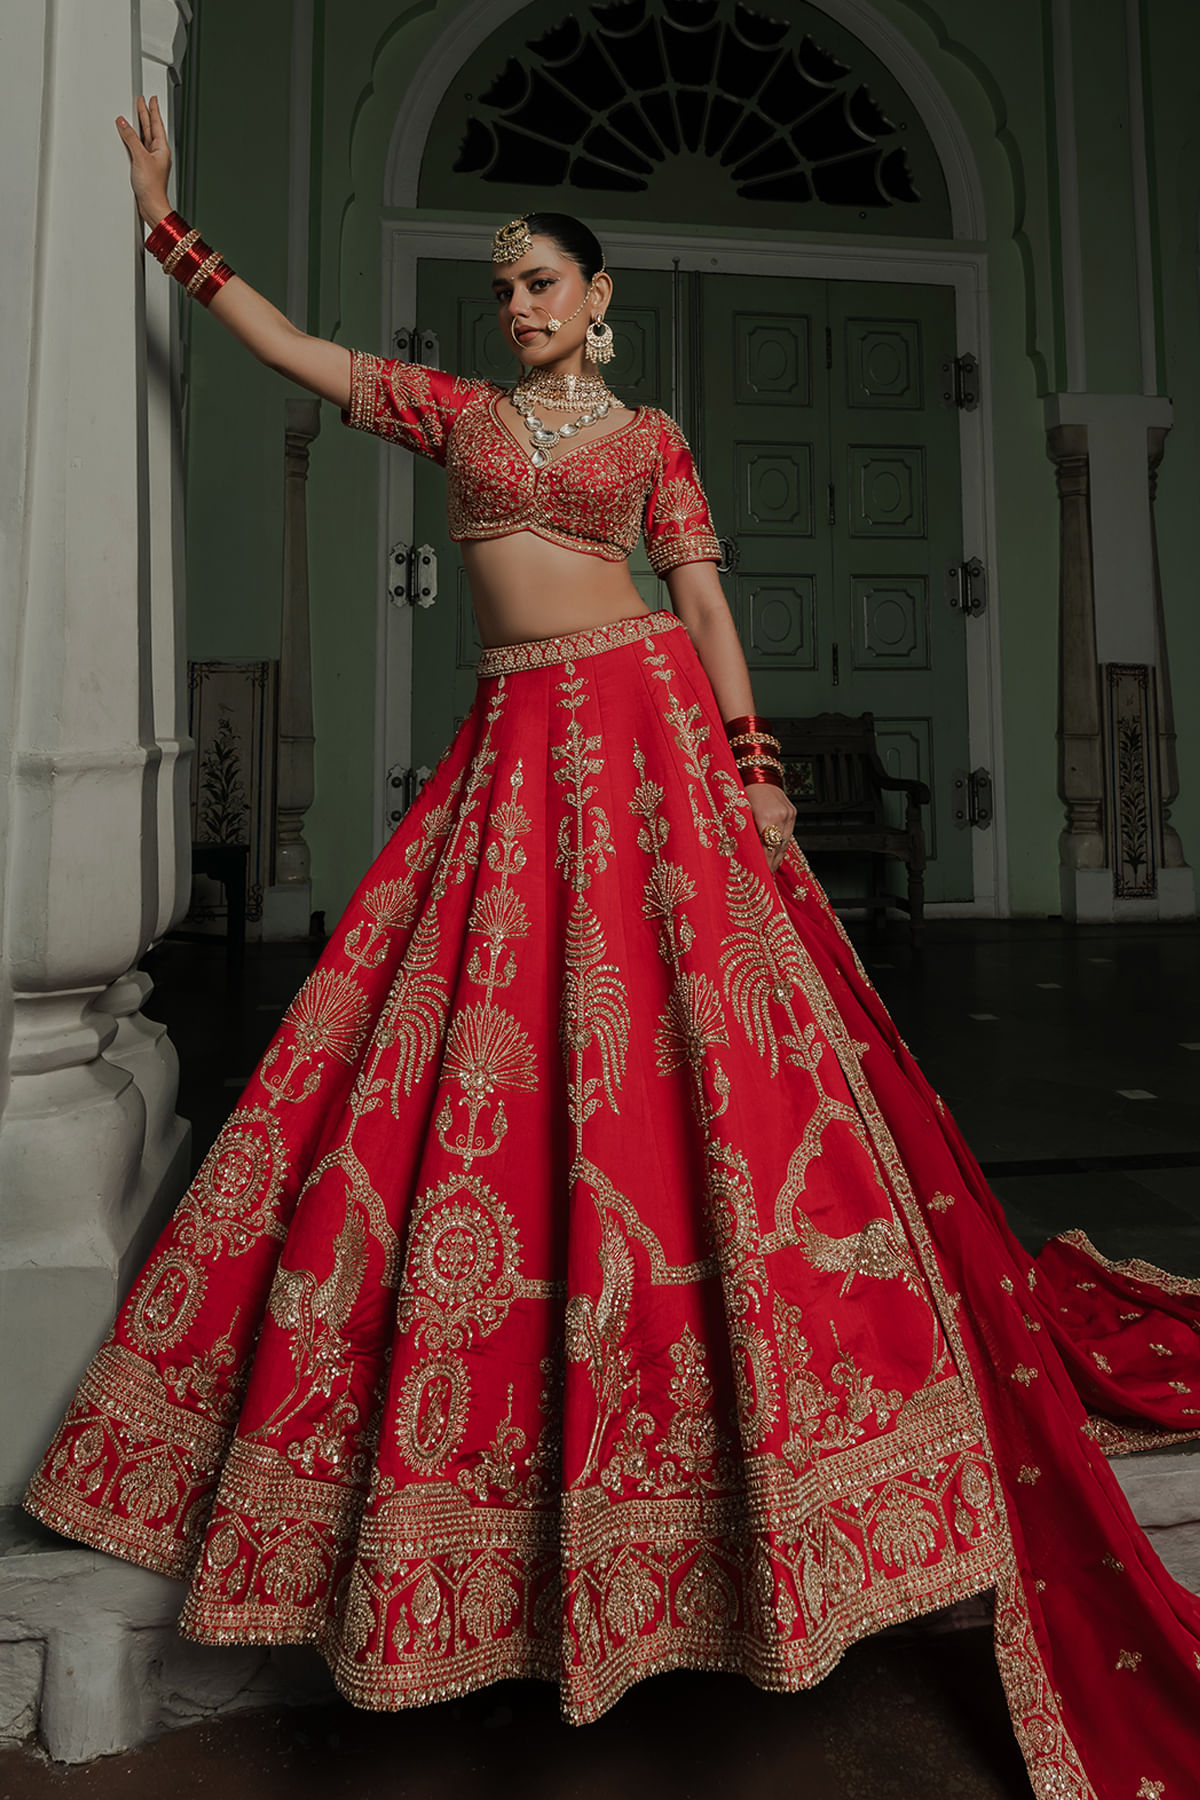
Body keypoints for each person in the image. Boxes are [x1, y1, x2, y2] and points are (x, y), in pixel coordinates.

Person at [25, 96, 1200, 1799]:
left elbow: (703, 598)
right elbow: (295, 350)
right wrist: (167, 229)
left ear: (597, 299)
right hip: (512, 756)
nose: (519, 306)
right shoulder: (454, 413)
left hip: (648, 736)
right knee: (461, 1065)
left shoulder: (650, 438)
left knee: (696, 1067)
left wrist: (756, 764)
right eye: (504, 288)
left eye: (543, 284)